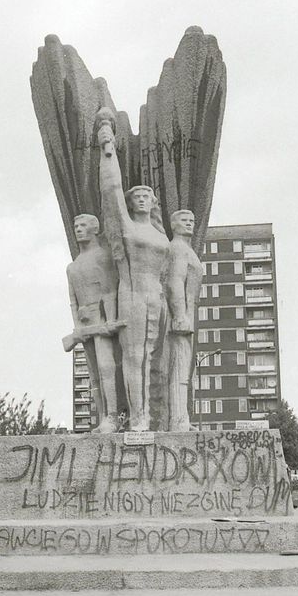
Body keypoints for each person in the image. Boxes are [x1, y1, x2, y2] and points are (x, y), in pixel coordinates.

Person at [97, 108, 170, 431]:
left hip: (157, 297)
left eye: (147, 195)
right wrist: (107, 146)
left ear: (153, 203)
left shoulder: (159, 234)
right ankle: (139, 417)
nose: (141, 199)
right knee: (134, 357)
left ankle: (157, 415)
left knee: (155, 361)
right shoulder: (125, 229)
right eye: (136, 196)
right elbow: (111, 192)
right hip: (133, 294)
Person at [63, 213, 124, 433]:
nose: (78, 229)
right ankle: (102, 417)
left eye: (83, 225)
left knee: (107, 368)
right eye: (76, 225)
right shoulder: (72, 267)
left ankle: (113, 416)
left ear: (94, 229)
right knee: (94, 373)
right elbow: (72, 300)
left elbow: (109, 291)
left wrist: (110, 319)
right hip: (85, 324)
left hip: (102, 320)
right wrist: (77, 329)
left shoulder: (103, 256)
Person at [165, 209, 203, 431]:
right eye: (183, 220)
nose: (189, 224)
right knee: (179, 370)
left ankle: (182, 418)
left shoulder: (186, 249)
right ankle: (178, 420)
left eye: (192, 220)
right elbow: (175, 282)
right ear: (173, 224)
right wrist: (179, 314)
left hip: (188, 315)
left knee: (183, 371)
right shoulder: (178, 248)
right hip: (181, 318)